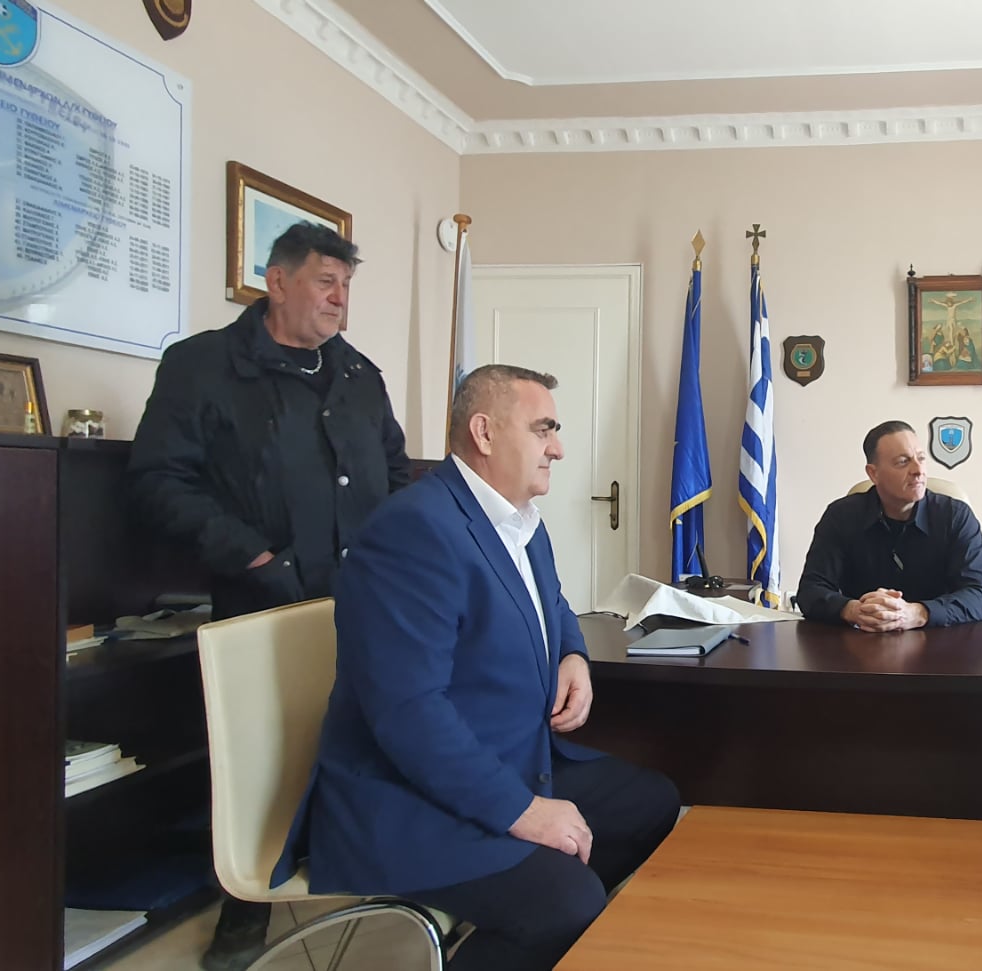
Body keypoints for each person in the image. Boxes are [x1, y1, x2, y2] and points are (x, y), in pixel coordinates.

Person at [276, 364, 680, 971]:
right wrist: (524, 813)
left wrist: (571, 652)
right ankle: (543, 921)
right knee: (567, 903)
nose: (558, 448)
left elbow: (552, 602)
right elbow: (408, 713)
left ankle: (537, 935)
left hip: (512, 757)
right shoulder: (413, 530)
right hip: (408, 796)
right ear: (485, 432)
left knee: (650, 803)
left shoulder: (520, 521)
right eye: (543, 429)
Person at [125, 222, 409, 970]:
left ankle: (374, 874)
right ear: (277, 281)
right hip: (262, 601)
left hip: (360, 599)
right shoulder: (201, 366)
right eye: (325, 282)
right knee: (261, 761)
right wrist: (253, 554)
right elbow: (158, 480)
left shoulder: (359, 375)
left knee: (370, 737)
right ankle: (244, 912)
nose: (340, 299)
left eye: (346, 286)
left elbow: (395, 470)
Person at [796, 420, 982, 631]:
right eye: (903, 462)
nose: (918, 470)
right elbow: (810, 591)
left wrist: (918, 613)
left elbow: (979, 595)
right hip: (862, 641)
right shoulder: (841, 516)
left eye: (921, 458)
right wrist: (854, 610)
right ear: (873, 473)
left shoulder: (956, 516)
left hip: (940, 642)